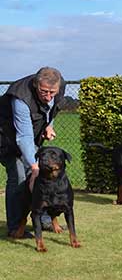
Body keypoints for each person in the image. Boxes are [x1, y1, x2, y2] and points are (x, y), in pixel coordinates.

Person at [0, 67, 65, 238]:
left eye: (53, 92)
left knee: (40, 176)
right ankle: (15, 227)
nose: (49, 96)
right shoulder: (20, 98)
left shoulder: (59, 86)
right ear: (36, 85)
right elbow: (24, 137)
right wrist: (34, 166)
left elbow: (53, 108)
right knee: (20, 176)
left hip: (27, 136)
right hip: (5, 138)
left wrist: (49, 125)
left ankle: (43, 219)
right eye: (44, 92)